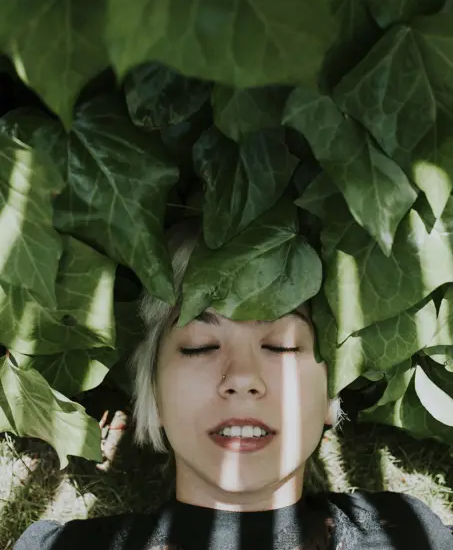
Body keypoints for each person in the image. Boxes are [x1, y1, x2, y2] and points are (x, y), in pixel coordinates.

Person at [13, 219, 453, 549]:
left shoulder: (409, 532)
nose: (241, 378)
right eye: (200, 346)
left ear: (329, 392)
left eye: (280, 345)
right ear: (156, 396)